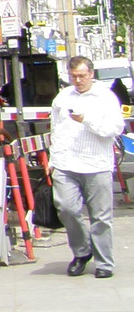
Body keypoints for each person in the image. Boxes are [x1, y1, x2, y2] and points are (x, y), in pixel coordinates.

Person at [49, 56, 124, 279]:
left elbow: (115, 129)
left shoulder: (106, 98)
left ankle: (104, 262)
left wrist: (86, 120)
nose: (78, 80)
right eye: (74, 76)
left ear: (91, 74)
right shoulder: (62, 98)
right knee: (66, 208)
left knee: (100, 216)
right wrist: (53, 161)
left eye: (82, 76)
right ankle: (82, 251)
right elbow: (56, 130)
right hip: (66, 163)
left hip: (95, 163)